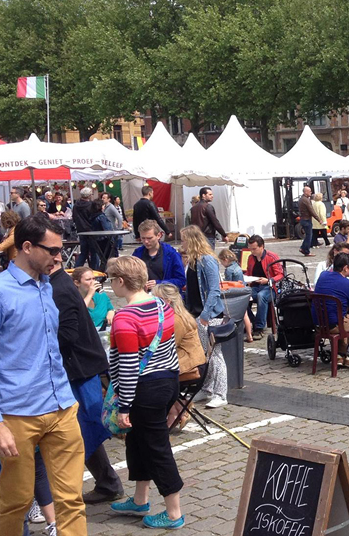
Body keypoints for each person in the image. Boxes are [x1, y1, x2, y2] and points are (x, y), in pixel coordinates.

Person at [0, 215, 87, 535]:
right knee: (16, 502)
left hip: (61, 406)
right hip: (18, 413)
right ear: (26, 247)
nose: (59, 257)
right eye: (52, 250)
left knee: (72, 501)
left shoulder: (46, 285)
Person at [105, 255, 185, 529]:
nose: (110, 285)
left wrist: (124, 406)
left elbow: (127, 366)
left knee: (156, 447)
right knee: (138, 441)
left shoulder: (125, 318)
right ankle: (140, 499)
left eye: (110, 279)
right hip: (168, 380)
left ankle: (174, 512)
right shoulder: (163, 305)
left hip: (144, 389)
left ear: (120, 281)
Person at [48, 258, 124, 506]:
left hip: (80, 371)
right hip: (79, 369)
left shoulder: (59, 289)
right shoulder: (57, 286)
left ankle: (108, 483)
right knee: (83, 429)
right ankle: (107, 482)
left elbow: (67, 334)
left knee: (85, 428)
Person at [181, 225, 227, 409]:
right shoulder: (193, 261)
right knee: (204, 354)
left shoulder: (207, 260)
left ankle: (221, 393)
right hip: (196, 313)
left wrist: (205, 315)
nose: (182, 243)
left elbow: (215, 289)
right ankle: (207, 388)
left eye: (184, 239)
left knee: (215, 354)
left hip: (209, 315)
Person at [152, 283, 206, 429]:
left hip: (191, 366)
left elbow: (164, 346)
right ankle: (179, 407)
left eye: (155, 299)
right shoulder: (179, 314)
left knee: (154, 378)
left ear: (166, 301)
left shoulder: (176, 320)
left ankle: (175, 410)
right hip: (190, 360)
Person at [246, 235, 283, 338]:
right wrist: (246, 280)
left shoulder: (271, 257)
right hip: (255, 286)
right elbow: (249, 272)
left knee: (261, 296)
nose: (252, 251)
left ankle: (259, 327)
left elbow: (281, 274)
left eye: (254, 249)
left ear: (262, 247)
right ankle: (251, 322)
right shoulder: (250, 258)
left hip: (271, 288)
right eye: (250, 249)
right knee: (243, 296)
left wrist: (268, 280)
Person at [297, 186, 315, 257]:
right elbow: (311, 210)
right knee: (309, 236)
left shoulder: (303, 199)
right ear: (305, 192)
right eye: (310, 191)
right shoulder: (305, 200)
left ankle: (303, 248)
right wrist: (319, 219)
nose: (311, 192)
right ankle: (306, 250)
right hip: (306, 220)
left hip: (304, 219)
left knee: (308, 235)